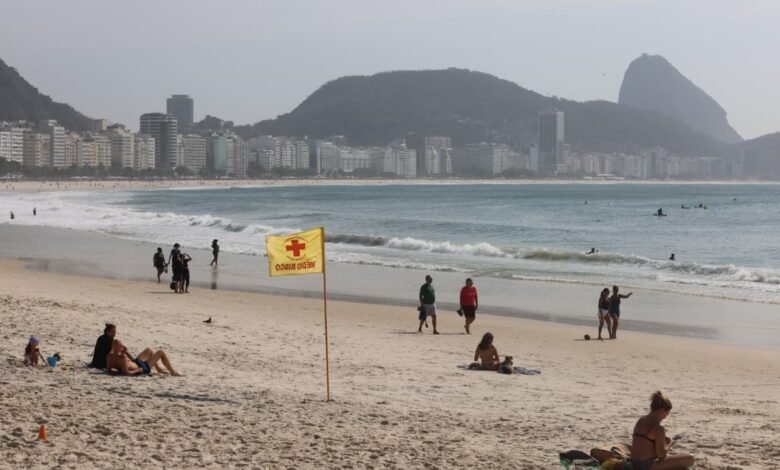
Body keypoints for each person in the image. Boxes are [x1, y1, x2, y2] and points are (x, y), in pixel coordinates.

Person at [630, 391, 694, 470]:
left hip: (633, 462)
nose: (665, 417)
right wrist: (671, 442)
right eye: (666, 414)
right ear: (662, 410)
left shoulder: (641, 420)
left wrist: (662, 438)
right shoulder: (659, 428)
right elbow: (661, 455)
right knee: (690, 458)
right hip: (647, 465)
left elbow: (644, 440)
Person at [106, 339, 181, 376]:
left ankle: (159, 369)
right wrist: (138, 370)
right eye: (121, 346)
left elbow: (109, 370)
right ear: (118, 347)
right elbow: (127, 373)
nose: (122, 347)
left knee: (149, 350)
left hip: (135, 362)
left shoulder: (109, 356)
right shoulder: (122, 358)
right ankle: (173, 372)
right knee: (161, 352)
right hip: (141, 367)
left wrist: (125, 351)